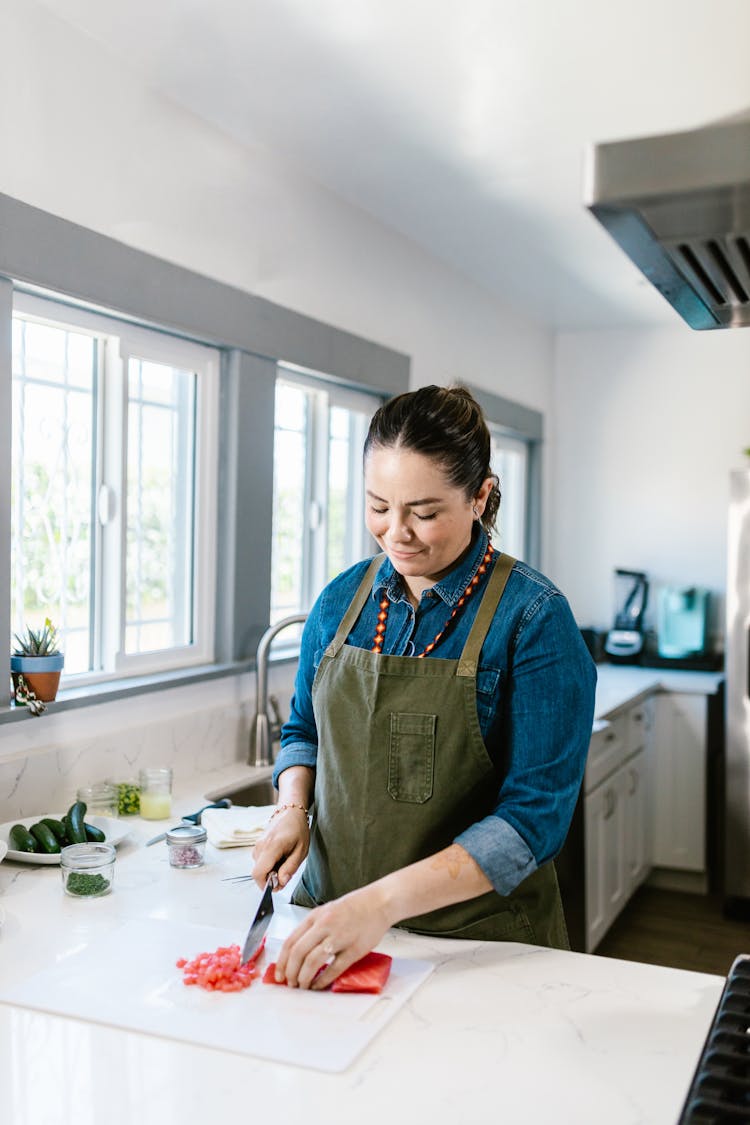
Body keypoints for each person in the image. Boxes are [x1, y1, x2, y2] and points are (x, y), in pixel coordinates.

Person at [252, 384, 597, 989]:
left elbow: (533, 822)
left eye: (425, 512)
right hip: (332, 927)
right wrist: (291, 809)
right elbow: (304, 730)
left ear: (480, 495)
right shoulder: (340, 602)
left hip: (476, 949)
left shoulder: (535, 619)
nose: (396, 533)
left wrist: (380, 904)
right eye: (378, 505)